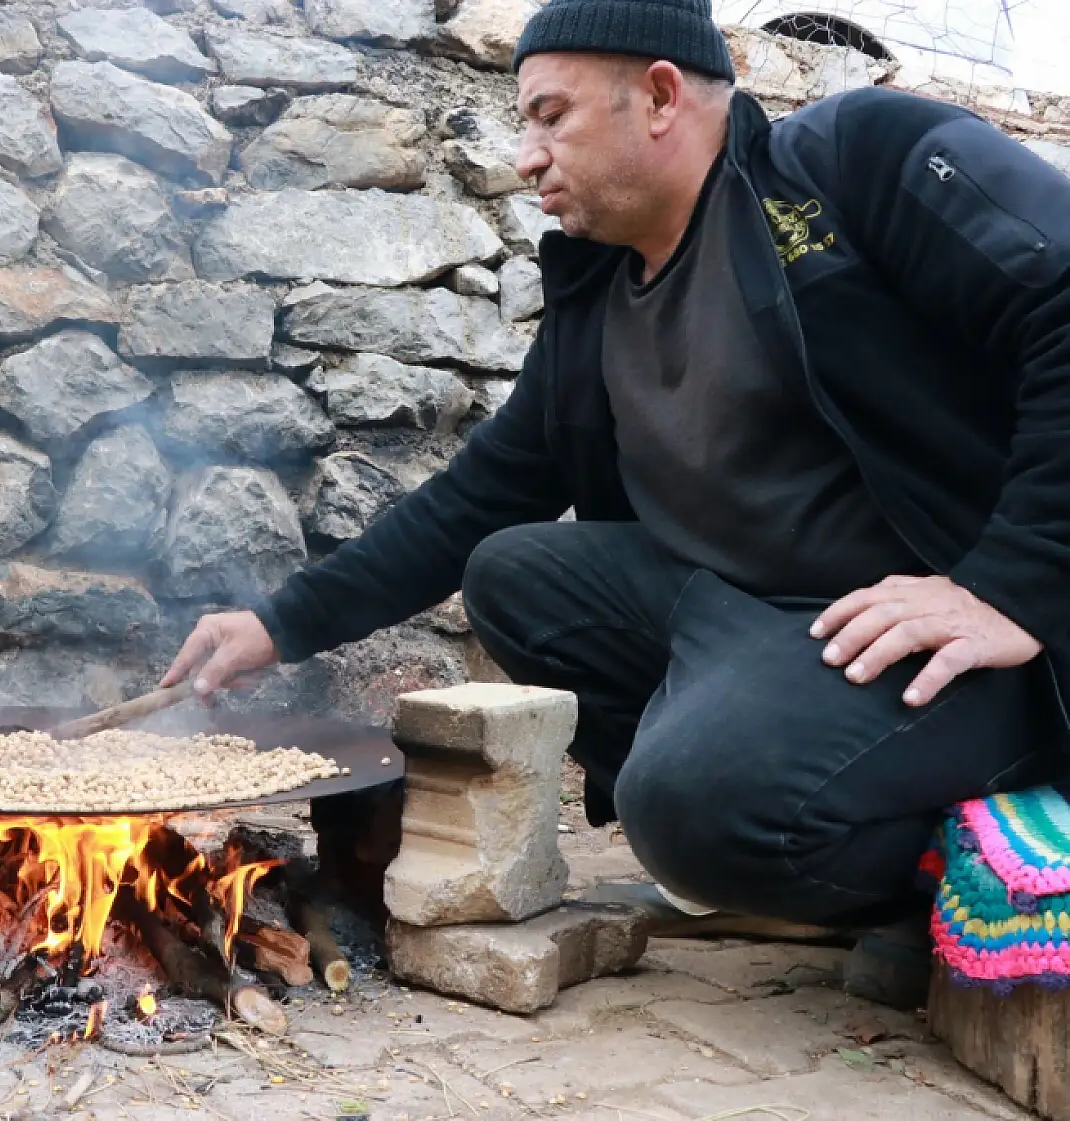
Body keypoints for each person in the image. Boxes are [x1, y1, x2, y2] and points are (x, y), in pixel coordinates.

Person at [163, 0, 1070, 1008]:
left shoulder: (849, 163)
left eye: (549, 116)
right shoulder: (598, 294)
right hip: (755, 619)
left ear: (656, 96)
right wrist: (280, 621)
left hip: (957, 645)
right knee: (513, 570)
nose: (524, 156)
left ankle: (917, 850)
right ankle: (802, 837)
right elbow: (484, 492)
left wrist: (1007, 583)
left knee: (691, 806)